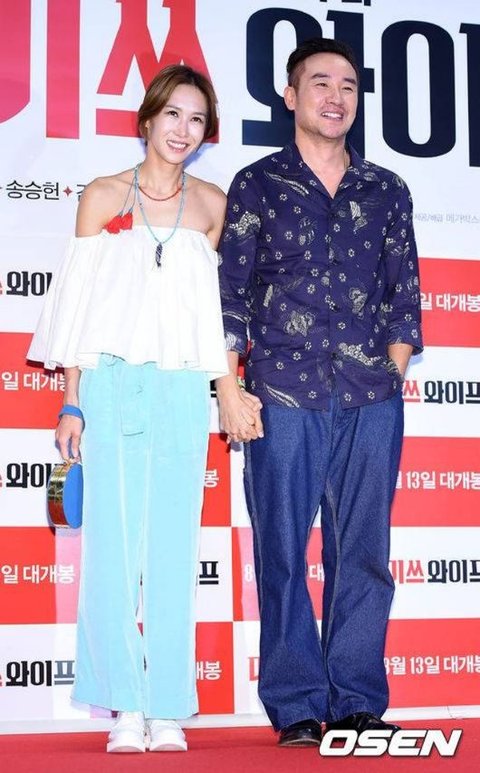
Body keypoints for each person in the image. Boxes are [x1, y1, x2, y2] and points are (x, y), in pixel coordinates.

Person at [216, 38, 422, 746]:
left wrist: (391, 372)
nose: (336, 97)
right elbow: (231, 295)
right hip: (281, 394)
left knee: (362, 551)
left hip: (370, 396)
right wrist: (229, 386)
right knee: (281, 550)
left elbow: (404, 295)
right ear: (291, 95)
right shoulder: (257, 183)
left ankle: (359, 698)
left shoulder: (386, 188)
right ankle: (297, 702)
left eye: (348, 86)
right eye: (321, 83)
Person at [27, 64, 228, 753]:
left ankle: (166, 704)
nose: (183, 129)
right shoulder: (103, 195)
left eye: (196, 119)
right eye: (173, 114)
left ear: (206, 133)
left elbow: (204, 312)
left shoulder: (212, 205)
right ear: (147, 120)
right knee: (111, 551)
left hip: (182, 387)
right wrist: (72, 400)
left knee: (173, 550)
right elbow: (77, 305)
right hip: (110, 382)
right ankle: (124, 705)